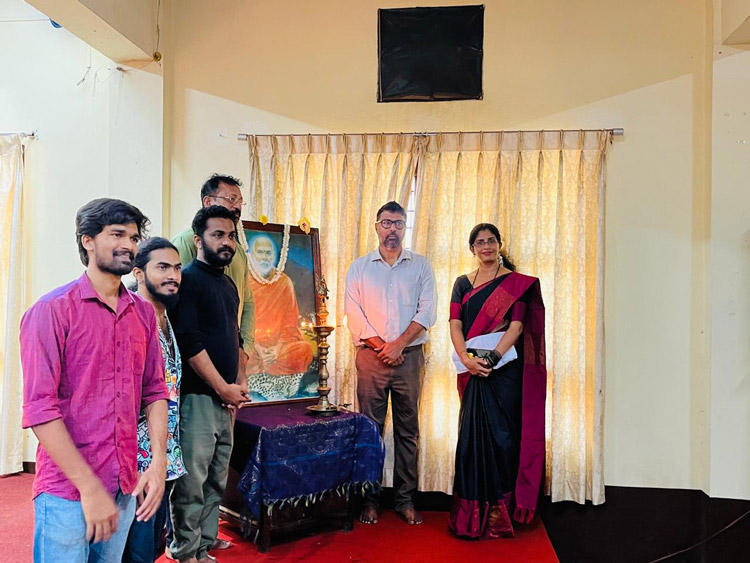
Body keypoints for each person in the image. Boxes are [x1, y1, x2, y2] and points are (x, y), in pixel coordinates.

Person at [20, 199, 169, 562]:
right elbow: (40, 410)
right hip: (67, 491)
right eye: (117, 234)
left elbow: (155, 391)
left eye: (133, 237)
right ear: (87, 240)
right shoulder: (51, 310)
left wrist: (158, 464)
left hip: (123, 484)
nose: (128, 245)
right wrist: (89, 488)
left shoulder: (142, 313)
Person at [447, 223, 547, 539]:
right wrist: (466, 359)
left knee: (504, 438)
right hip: (472, 370)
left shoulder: (515, 284)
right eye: (480, 242)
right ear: (472, 248)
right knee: (472, 439)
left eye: (491, 241)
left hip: (504, 372)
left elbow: (517, 326)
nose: (486, 246)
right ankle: (470, 516)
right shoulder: (462, 284)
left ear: (499, 245)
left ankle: (500, 514)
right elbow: (455, 324)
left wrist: (491, 360)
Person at [345, 201, 437, 526]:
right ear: (376, 227)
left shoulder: (421, 266)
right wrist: (383, 347)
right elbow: (354, 315)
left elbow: (427, 311)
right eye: (386, 223)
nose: (392, 229)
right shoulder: (359, 268)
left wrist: (398, 345)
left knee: (408, 432)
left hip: (409, 358)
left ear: (404, 228)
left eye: (398, 223)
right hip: (371, 358)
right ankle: (370, 501)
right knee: (371, 431)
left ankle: (405, 500)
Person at [168, 206, 249, 563]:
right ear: (198, 240)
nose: (226, 242)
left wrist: (240, 382)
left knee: (217, 477)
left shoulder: (228, 283)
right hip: (199, 397)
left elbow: (234, 337)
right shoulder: (188, 280)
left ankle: (206, 539)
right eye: (218, 235)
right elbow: (189, 344)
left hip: (226, 397)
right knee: (192, 481)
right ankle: (185, 550)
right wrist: (221, 387)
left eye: (231, 235)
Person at [123, 238, 186, 563]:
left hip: (164, 457)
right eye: (162, 267)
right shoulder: (131, 319)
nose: (172, 275)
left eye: (176, 267)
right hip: (136, 462)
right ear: (138, 273)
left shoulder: (164, 317)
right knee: (135, 552)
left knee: (151, 550)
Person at [172, 173, 256, 375]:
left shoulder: (238, 252)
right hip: (199, 367)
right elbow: (182, 314)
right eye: (231, 199)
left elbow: (247, 303)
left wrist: (244, 351)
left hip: (232, 360)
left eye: (240, 201)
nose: (237, 206)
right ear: (208, 201)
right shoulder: (185, 243)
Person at [246, 234, 313, 379]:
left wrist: (277, 348)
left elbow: (290, 325)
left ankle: (262, 366)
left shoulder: (283, 282)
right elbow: (238, 322)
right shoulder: (244, 281)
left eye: (268, 253)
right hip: (252, 346)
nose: (264, 257)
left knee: (305, 350)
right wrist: (257, 347)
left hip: (280, 347)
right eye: (260, 252)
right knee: (238, 354)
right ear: (251, 255)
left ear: (274, 256)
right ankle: (266, 365)